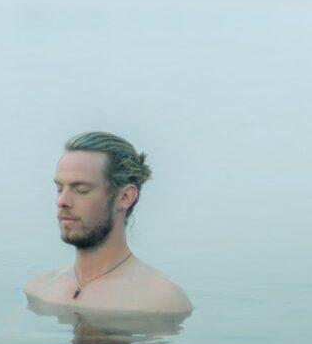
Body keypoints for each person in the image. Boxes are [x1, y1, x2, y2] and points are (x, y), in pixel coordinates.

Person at [24, 131, 193, 314]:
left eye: (81, 190)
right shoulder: (40, 289)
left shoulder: (159, 301)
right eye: (59, 189)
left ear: (125, 197)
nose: (62, 201)